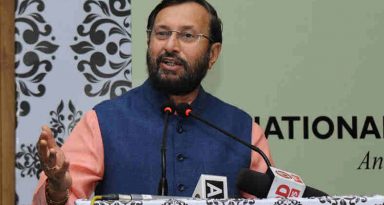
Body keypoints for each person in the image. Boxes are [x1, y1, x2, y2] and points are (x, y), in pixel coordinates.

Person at [32, 0, 274, 204]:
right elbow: (64, 196)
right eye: (162, 33)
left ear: (213, 54)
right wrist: (58, 188)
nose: (170, 46)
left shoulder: (244, 131)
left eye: (187, 36)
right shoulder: (103, 122)